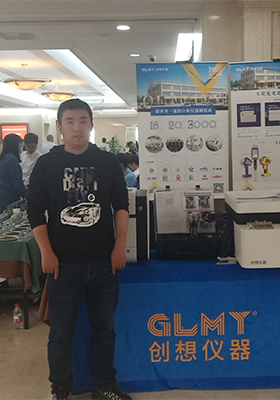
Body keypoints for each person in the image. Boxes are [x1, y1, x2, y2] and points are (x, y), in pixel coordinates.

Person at [27, 99, 131, 400]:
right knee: (61, 334)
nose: (77, 127)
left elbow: (121, 206)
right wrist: (46, 252)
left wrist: (119, 246)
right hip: (63, 264)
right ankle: (60, 390)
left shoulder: (107, 162)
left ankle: (104, 386)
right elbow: (35, 211)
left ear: (91, 124)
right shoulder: (47, 165)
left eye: (83, 121)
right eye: (70, 121)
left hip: (104, 263)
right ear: (60, 127)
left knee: (105, 330)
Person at [0, 134, 27, 214]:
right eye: (20, 144)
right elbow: (16, 181)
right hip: (10, 196)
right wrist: (26, 193)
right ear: (14, 145)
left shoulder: (3, 158)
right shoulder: (12, 160)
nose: (21, 146)